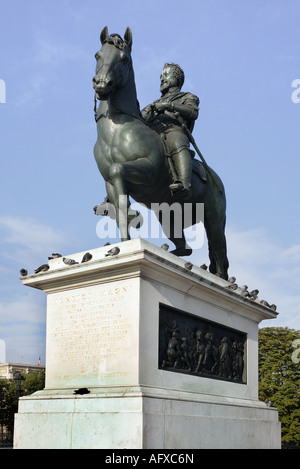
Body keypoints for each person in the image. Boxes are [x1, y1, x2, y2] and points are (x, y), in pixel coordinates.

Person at [142, 63, 199, 196]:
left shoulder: (187, 97)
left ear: (177, 79)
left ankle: (184, 183)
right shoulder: (154, 103)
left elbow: (193, 113)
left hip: (174, 130)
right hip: (154, 132)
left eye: (166, 75)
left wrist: (170, 105)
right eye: (161, 76)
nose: (162, 79)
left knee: (176, 140)